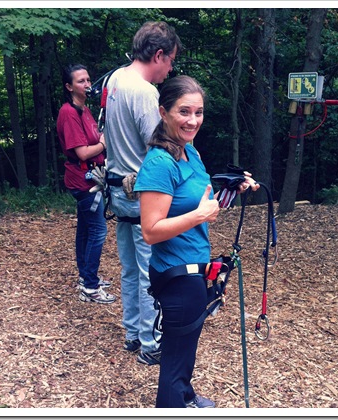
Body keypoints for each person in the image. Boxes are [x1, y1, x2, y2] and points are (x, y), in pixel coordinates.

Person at [134, 75, 259, 408]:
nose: (193, 120)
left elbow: (203, 205)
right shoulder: (160, 163)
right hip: (176, 274)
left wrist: (232, 189)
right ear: (164, 112)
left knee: (186, 347)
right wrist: (199, 216)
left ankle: (185, 397)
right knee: (174, 359)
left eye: (199, 112)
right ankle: (173, 404)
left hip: (194, 268)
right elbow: (150, 229)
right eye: (184, 112)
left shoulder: (190, 153)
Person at [104, 22, 182, 364]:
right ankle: (152, 345)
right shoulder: (145, 92)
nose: (170, 70)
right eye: (170, 61)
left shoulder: (115, 80)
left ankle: (134, 333)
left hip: (118, 189)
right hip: (143, 195)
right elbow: (160, 146)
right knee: (153, 272)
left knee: (130, 269)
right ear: (159, 54)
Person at [57, 64, 115, 304]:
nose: (87, 84)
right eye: (81, 81)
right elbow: (82, 152)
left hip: (91, 177)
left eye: (88, 80)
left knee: (86, 229)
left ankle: (86, 277)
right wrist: (104, 144)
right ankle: (90, 286)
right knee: (98, 231)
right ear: (69, 87)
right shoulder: (69, 113)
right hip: (83, 181)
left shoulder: (85, 110)